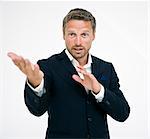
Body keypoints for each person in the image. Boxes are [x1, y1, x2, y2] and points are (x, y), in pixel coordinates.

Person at [8, 8, 130, 139]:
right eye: (72, 34)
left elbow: (122, 113)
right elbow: (37, 110)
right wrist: (36, 84)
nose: (78, 42)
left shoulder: (106, 68)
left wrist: (98, 90)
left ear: (93, 35)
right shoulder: (48, 66)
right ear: (63, 34)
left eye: (84, 34)